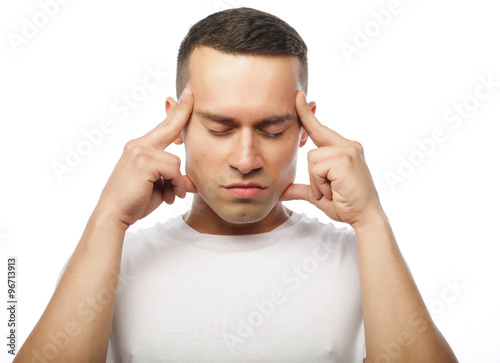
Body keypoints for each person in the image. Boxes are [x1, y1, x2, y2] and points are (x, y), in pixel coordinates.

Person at [16, 7, 458, 362]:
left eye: (272, 128)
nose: (245, 160)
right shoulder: (111, 257)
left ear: (306, 128)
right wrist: (107, 219)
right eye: (220, 127)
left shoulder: (362, 260)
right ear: (177, 122)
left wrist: (371, 221)